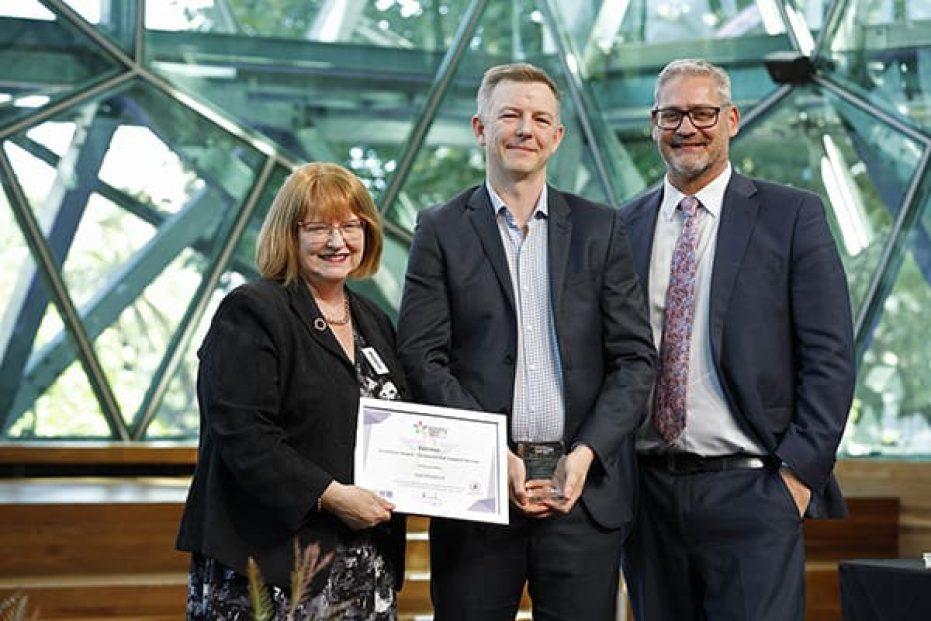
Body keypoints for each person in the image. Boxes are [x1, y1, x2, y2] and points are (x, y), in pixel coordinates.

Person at [397, 63, 656, 621]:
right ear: (480, 128)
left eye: (540, 119)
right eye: (510, 115)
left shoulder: (599, 228)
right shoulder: (439, 229)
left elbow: (635, 359)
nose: (525, 129)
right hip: (476, 494)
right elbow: (421, 354)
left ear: (557, 137)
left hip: (582, 495)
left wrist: (586, 453)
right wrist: (494, 455)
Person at [620, 58, 856, 621]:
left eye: (702, 113)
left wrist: (797, 477)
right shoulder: (622, 226)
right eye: (672, 115)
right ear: (654, 124)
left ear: (732, 119)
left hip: (755, 489)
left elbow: (830, 355)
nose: (686, 128)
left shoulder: (791, 214)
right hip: (648, 495)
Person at [176, 162, 408, 620]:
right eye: (318, 228)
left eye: (350, 226)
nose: (337, 241)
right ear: (289, 234)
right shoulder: (252, 311)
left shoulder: (374, 321)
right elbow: (243, 433)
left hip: (363, 563)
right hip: (269, 566)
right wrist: (330, 494)